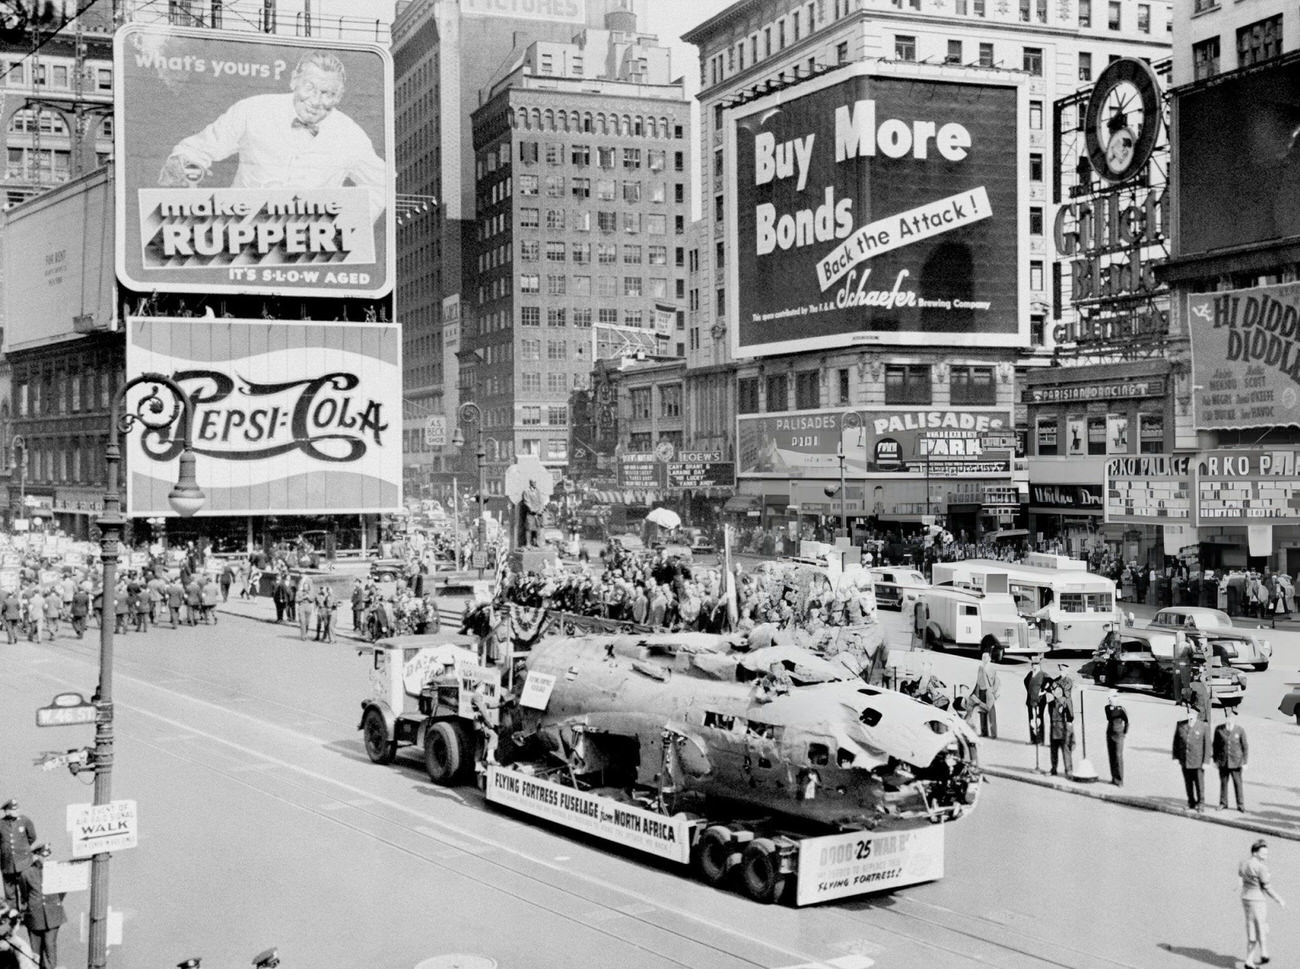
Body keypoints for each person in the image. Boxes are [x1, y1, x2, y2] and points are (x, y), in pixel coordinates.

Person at [159, 51, 386, 221]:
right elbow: (194, 150)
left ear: (340, 97)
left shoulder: (352, 136)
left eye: (328, 94)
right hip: (238, 236)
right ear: (293, 81)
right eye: (310, 88)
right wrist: (185, 170)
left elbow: (382, 184)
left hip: (308, 250)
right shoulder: (253, 110)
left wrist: (348, 227)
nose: (317, 101)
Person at [1240, 839, 1284, 968]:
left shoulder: (1243, 863)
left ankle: (1263, 953)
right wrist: (1279, 899)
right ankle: (1250, 960)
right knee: (1259, 928)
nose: (1265, 856)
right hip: (1257, 900)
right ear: (1255, 853)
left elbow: (1241, 876)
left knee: (1254, 926)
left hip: (1245, 897)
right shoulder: (1261, 867)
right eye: (1263, 854)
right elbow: (1267, 887)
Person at [19, 843, 64, 969]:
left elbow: (62, 890)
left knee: (50, 946)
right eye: (44, 856)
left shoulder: (56, 871)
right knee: (35, 950)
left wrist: (54, 903)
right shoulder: (26, 874)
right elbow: (24, 894)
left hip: (53, 914)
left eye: (49, 856)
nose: (47, 859)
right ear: (36, 856)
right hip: (35, 916)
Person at [1172, 704, 1211, 812]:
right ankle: (1191, 802)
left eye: (1193, 714)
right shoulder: (1180, 725)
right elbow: (1176, 742)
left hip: (1198, 761)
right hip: (1184, 760)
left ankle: (1201, 803)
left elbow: (1207, 745)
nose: (1191, 716)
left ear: (1197, 715)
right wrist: (1175, 757)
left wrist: (1206, 761)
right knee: (1188, 783)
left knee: (1199, 783)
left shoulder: (1203, 726)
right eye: (1189, 713)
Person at [0, 801, 35, 909]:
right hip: (7, 862)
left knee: (26, 887)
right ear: (7, 811)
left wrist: (22, 849)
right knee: (10, 892)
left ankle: (28, 912)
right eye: (13, 810)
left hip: (23, 861)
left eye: (17, 809)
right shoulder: (1, 824)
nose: (17, 811)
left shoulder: (25, 821)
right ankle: (13, 915)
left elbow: (32, 837)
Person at [1214, 704, 1249, 812]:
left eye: (1231, 718)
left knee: (1238, 783)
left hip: (1236, 762)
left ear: (1234, 719)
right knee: (1223, 783)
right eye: (1228, 718)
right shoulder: (1219, 729)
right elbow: (1215, 745)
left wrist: (1245, 762)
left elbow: (1245, 746)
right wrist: (1215, 760)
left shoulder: (1240, 730)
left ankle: (1240, 804)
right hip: (1223, 761)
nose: (1229, 720)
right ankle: (1223, 803)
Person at [1046, 684, 1074, 777]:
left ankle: (1069, 771)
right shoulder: (1051, 703)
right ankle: (1053, 769)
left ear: (1061, 692)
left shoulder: (1066, 702)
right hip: (1053, 729)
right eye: (1054, 691)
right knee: (1053, 751)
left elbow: (1070, 717)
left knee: (1066, 751)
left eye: (1058, 690)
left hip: (1063, 729)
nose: (1056, 692)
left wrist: (1070, 733)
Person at [1104, 691, 1128, 787]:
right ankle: (1113, 778)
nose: (1109, 700)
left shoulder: (1121, 709)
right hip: (1110, 732)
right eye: (1108, 698)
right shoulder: (1107, 708)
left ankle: (1120, 779)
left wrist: (1123, 732)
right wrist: (1112, 708)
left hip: (1119, 734)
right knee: (1111, 755)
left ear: (1116, 699)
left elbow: (1127, 722)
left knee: (1118, 756)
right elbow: (1109, 717)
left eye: (1111, 698)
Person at [974, 651, 999, 739]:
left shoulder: (991, 668)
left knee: (991, 712)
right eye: (983, 657)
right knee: (982, 711)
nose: (984, 658)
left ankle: (993, 733)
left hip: (988, 692)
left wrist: (993, 691)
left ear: (989, 658)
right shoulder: (980, 667)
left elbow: (996, 681)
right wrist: (976, 691)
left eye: (986, 657)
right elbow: (978, 680)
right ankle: (984, 731)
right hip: (981, 691)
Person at [1024, 657, 1045, 744]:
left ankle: (1040, 739)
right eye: (1033, 664)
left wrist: (1041, 692)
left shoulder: (1043, 674)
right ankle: (1033, 739)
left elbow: (1048, 684)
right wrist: (1030, 692)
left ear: (1039, 665)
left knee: (1039, 719)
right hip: (1030, 700)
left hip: (1040, 701)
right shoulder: (1030, 674)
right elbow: (1025, 681)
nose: (1034, 666)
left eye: (1036, 664)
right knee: (1031, 719)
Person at [519, 480, 544, 548]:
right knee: (529, 529)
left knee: (538, 528)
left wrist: (540, 510)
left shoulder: (538, 491)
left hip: (538, 514)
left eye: (536, 482)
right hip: (530, 514)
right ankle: (528, 543)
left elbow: (541, 501)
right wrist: (533, 509)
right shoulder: (526, 491)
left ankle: (538, 543)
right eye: (533, 482)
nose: (535, 483)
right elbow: (526, 502)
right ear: (530, 483)